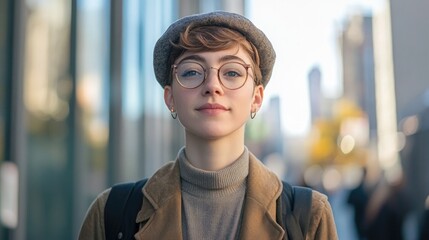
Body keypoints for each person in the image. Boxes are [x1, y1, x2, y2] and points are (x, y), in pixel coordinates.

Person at [78, 11, 338, 240]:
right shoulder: (111, 212)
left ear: (256, 98)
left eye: (232, 72)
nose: (212, 85)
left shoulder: (308, 215)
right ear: (170, 98)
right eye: (191, 71)